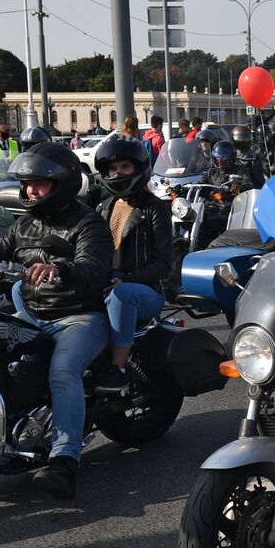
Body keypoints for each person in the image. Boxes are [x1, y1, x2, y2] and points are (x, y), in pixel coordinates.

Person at [0, 142, 113, 499]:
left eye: (39, 183)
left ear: (63, 183)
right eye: (26, 184)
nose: (30, 191)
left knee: (63, 372)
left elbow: (94, 267)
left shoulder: (88, 223)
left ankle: (64, 462)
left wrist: (60, 269)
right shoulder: (23, 224)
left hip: (78, 317)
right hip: (29, 313)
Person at [89, 134, 173, 394]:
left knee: (120, 295)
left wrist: (127, 279)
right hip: (107, 281)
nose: (118, 173)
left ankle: (119, 368)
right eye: (112, 168)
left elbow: (163, 264)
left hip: (144, 289)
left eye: (125, 167)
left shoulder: (155, 209)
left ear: (139, 169)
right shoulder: (104, 206)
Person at [193, 139, 252, 251]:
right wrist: (184, 188)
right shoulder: (212, 172)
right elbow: (200, 185)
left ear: (232, 157)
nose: (220, 159)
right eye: (218, 156)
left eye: (223, 156)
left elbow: (247, 185)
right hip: (211, 207)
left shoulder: (239, 170)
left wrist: (232, 189)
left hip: (230, 208)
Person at [229, 123, 265, 188]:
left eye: (245, 137)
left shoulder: (254, 158)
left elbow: (259, 182)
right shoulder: (229, 154)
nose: (243, 141)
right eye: (240, 138)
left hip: (247, 191)